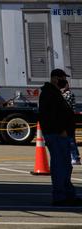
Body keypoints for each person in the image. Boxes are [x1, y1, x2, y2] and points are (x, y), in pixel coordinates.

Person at [38, 68, 81, 206]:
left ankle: (68, 194)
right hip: (57, 135)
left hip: (61, 134)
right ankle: (60, 196)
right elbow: (51, 116)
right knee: (60, 167)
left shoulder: (54, 93)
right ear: (55, 78)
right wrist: (61, 130)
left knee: (66, 166)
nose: (64, 81)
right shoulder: (49, 94)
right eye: (62, 78)